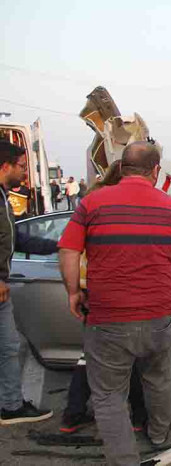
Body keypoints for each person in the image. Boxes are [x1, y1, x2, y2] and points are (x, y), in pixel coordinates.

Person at [58, 142, 171, 465]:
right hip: (159, 317)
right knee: (158, 380)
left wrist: (73, 292)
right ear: (155, 171)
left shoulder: (92, 203)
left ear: (122, 168)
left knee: (109, 395)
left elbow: (68, 251)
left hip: (108, 320)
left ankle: (124, 460)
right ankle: (158, 436)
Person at [0, 141, 57, 425]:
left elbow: (17, 239)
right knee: (9, 347)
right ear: (5, 165)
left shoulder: (4, 198)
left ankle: (10, 405)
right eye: (22, 167)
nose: (25, 174)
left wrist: (58, 246)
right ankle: (10, 406)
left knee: (9, 347)